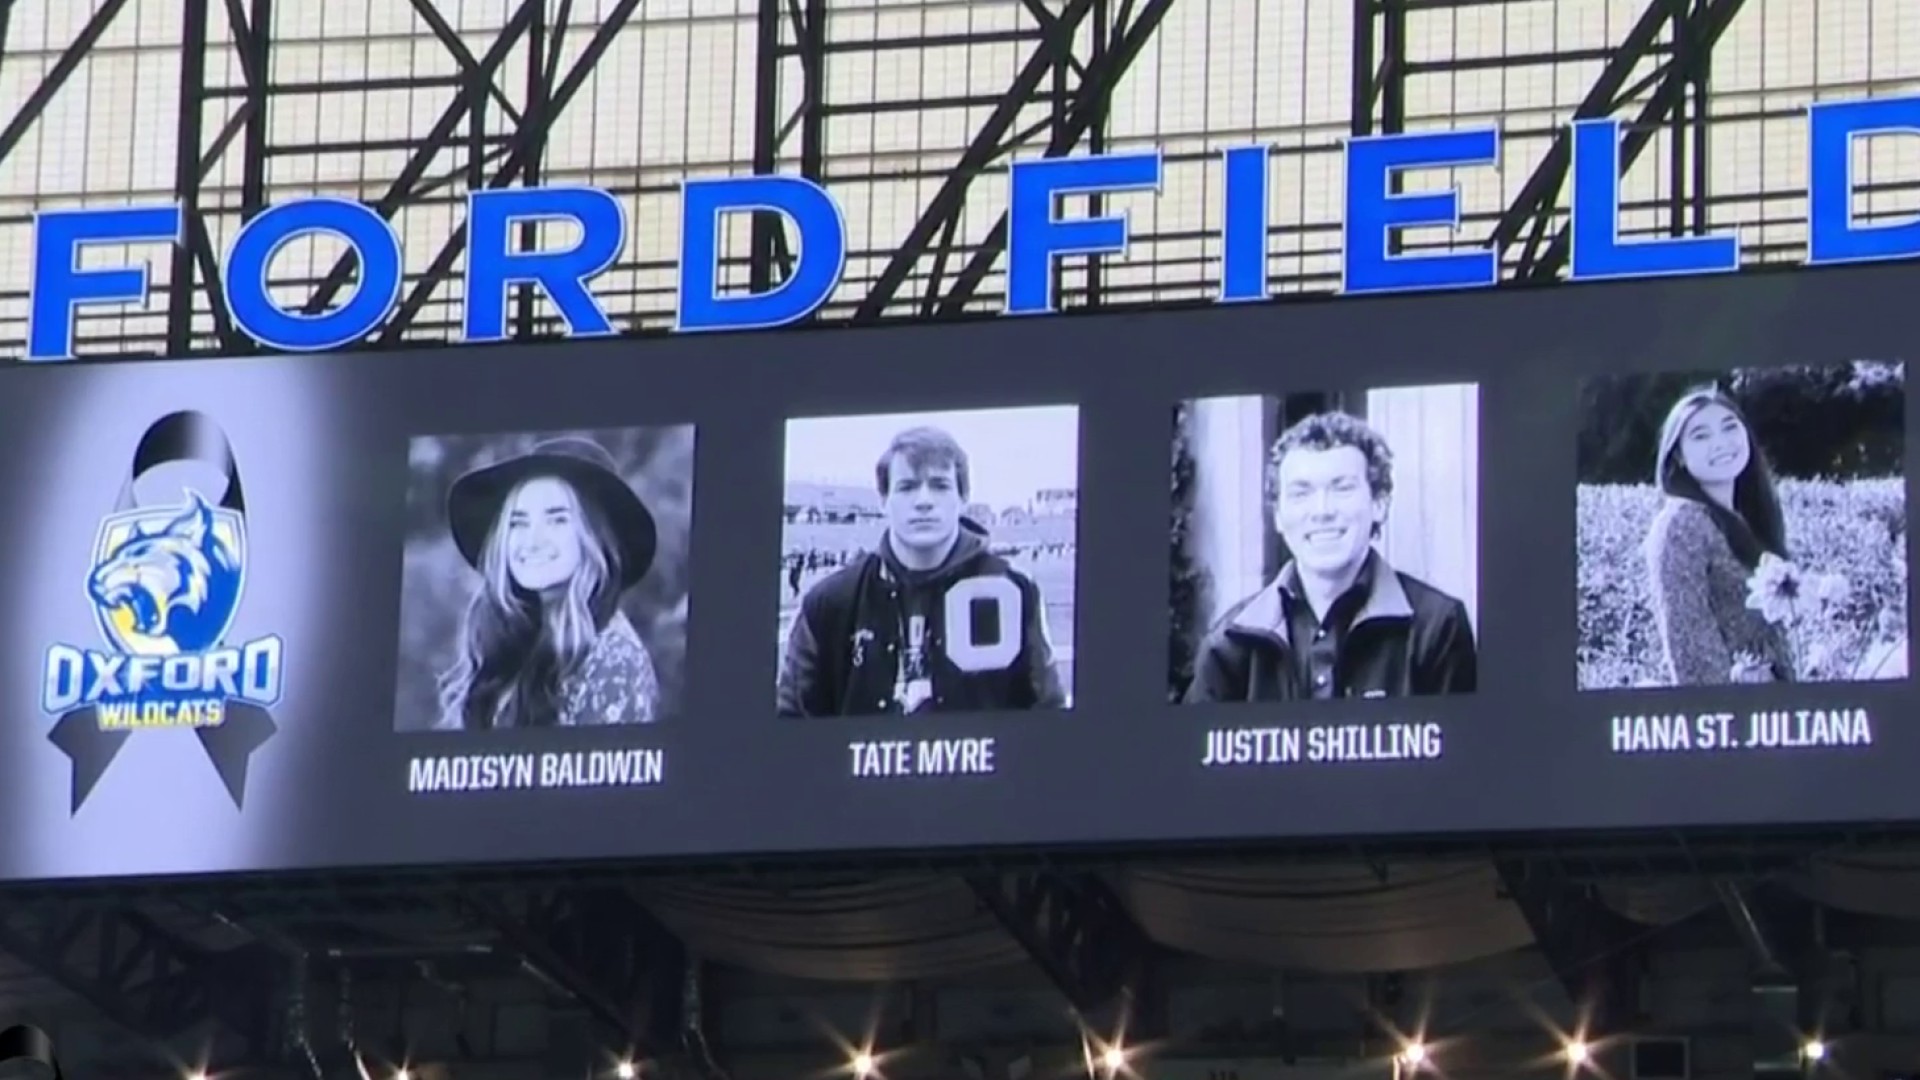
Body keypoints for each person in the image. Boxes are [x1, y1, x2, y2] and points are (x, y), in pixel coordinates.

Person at [1184, 411, 1477, 702]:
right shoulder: (1230, 642)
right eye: (1301, 493)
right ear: (1278, 516)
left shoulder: (1438, 627)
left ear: (1379, 503)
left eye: (1342, 489)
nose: (1322, 510)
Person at [776, 425, 1067, 716]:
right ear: (883, 501)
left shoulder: (1015, 591)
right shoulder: (830, 601)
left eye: (939, 485)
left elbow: (1048, 714)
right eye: (907, 487)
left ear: (963, 498)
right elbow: (791, 722)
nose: (924, 501)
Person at [436, 436, 662, 728]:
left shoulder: (613, 660)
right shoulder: (506, 639)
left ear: (592, 537)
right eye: (518, 522)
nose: (533, 541)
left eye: (557, 520)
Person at [1642, 387, 1795, 685]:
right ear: (1679, 457)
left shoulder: (1749, 516)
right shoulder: (1681, 524)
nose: (1722, 443)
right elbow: (1691, 653)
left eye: (1729, 427)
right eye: (1700, 435)